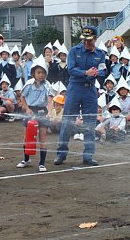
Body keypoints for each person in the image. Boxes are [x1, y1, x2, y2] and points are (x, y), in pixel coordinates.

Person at [55, 26, 106, 166]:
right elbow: (71, 70)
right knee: (67, 121)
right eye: (84, 39)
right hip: (75, 88)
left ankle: (88, 156)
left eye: (89, 40)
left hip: (90, 90)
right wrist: (86, 73)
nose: (86, 43)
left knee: (90, 123)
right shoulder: (74, 51)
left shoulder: (100, 54)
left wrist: (95, 73)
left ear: (95, 39)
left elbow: (103, 71)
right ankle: (61, 154)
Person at [17, 55, 52, 172]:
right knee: (27, 137)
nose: (40, 75)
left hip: (42, 111)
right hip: (30, 111)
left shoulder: (47, 85)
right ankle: (26, 159)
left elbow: (50, 99)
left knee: (42, 138)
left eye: (43, 72)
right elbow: (22, 97)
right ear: (33, 73)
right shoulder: (29, 84)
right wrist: (26, 108)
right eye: (38, 72)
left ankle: (42, 163)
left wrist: (50, 112)